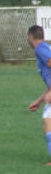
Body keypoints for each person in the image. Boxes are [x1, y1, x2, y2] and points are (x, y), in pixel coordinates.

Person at [26, 25, 51, 166]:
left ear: (31, 37)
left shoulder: (40, 49)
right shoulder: (45, 48)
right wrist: (39, 101)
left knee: (48, 123)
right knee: (47, 124)